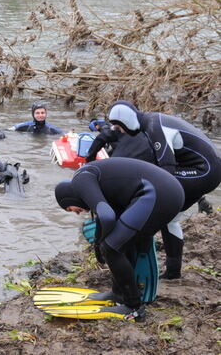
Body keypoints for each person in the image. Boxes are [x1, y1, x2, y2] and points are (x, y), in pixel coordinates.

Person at [100, 100, 221, 278]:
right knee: (170, 219)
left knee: (155, 198)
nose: (122, 132)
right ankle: (173, 272)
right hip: (204, 168)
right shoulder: (150, 123)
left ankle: (138, 248)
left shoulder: (156, 127)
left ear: (126, 121)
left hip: (205, 170)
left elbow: (167, 169)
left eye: (120, 128)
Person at [54, 158, 185, 320]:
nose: (77, 212)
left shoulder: (80, 179)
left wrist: (99, 243)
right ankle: (118, 294)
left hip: (157, 193)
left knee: (111, 248)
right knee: (121, 242)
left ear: (68, 198)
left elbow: (107, 216)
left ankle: (134, 308)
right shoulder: (100, 186)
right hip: (166, 191)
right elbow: (111, 217)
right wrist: (99, 242)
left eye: (70, 209)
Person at [0, 102, 64, 139]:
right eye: (37, 113)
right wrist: (0, 132)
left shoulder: (52, 129)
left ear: (46, 114)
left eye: (42, 113)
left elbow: (66, 136)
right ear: (33, 114)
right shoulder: (25, 126)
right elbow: (5, 130)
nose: (40, 115)